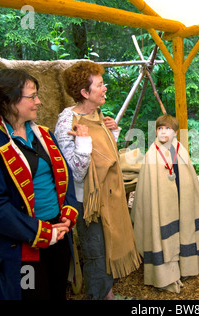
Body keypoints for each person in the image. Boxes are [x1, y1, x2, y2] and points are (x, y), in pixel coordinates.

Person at [0, 69, 79, 300]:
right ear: (10, 101)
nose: (39, 101)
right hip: (23, 246)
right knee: (32, 294)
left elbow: (63, 175)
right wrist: (41, 232)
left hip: (58, 234)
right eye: (32, 96)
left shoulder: (43, 135)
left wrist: (67, 211)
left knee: (56, 292)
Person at [55, 61, 141, 300]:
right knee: (96, 255)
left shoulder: (96, 114)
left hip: (109, 197)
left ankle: (108, 295)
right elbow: (75, 173)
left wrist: (112, 131)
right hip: (88, 203)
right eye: (100, 84)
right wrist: (82, 141)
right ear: (84, 93)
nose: (105, 88)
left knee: (110, 249)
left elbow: (105, 157)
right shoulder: (67, 122)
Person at [131, 114, 199, 293]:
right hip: (161, 205)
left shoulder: (181, 150)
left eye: (168, 129)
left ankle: (186, 266)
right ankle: (164, 274)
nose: (163, 132)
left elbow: (190, 179)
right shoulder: (151, 154)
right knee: (164, 233)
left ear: (175, 132)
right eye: (160, 128)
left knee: (185, 228)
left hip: (181, 199)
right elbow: (148, 188)